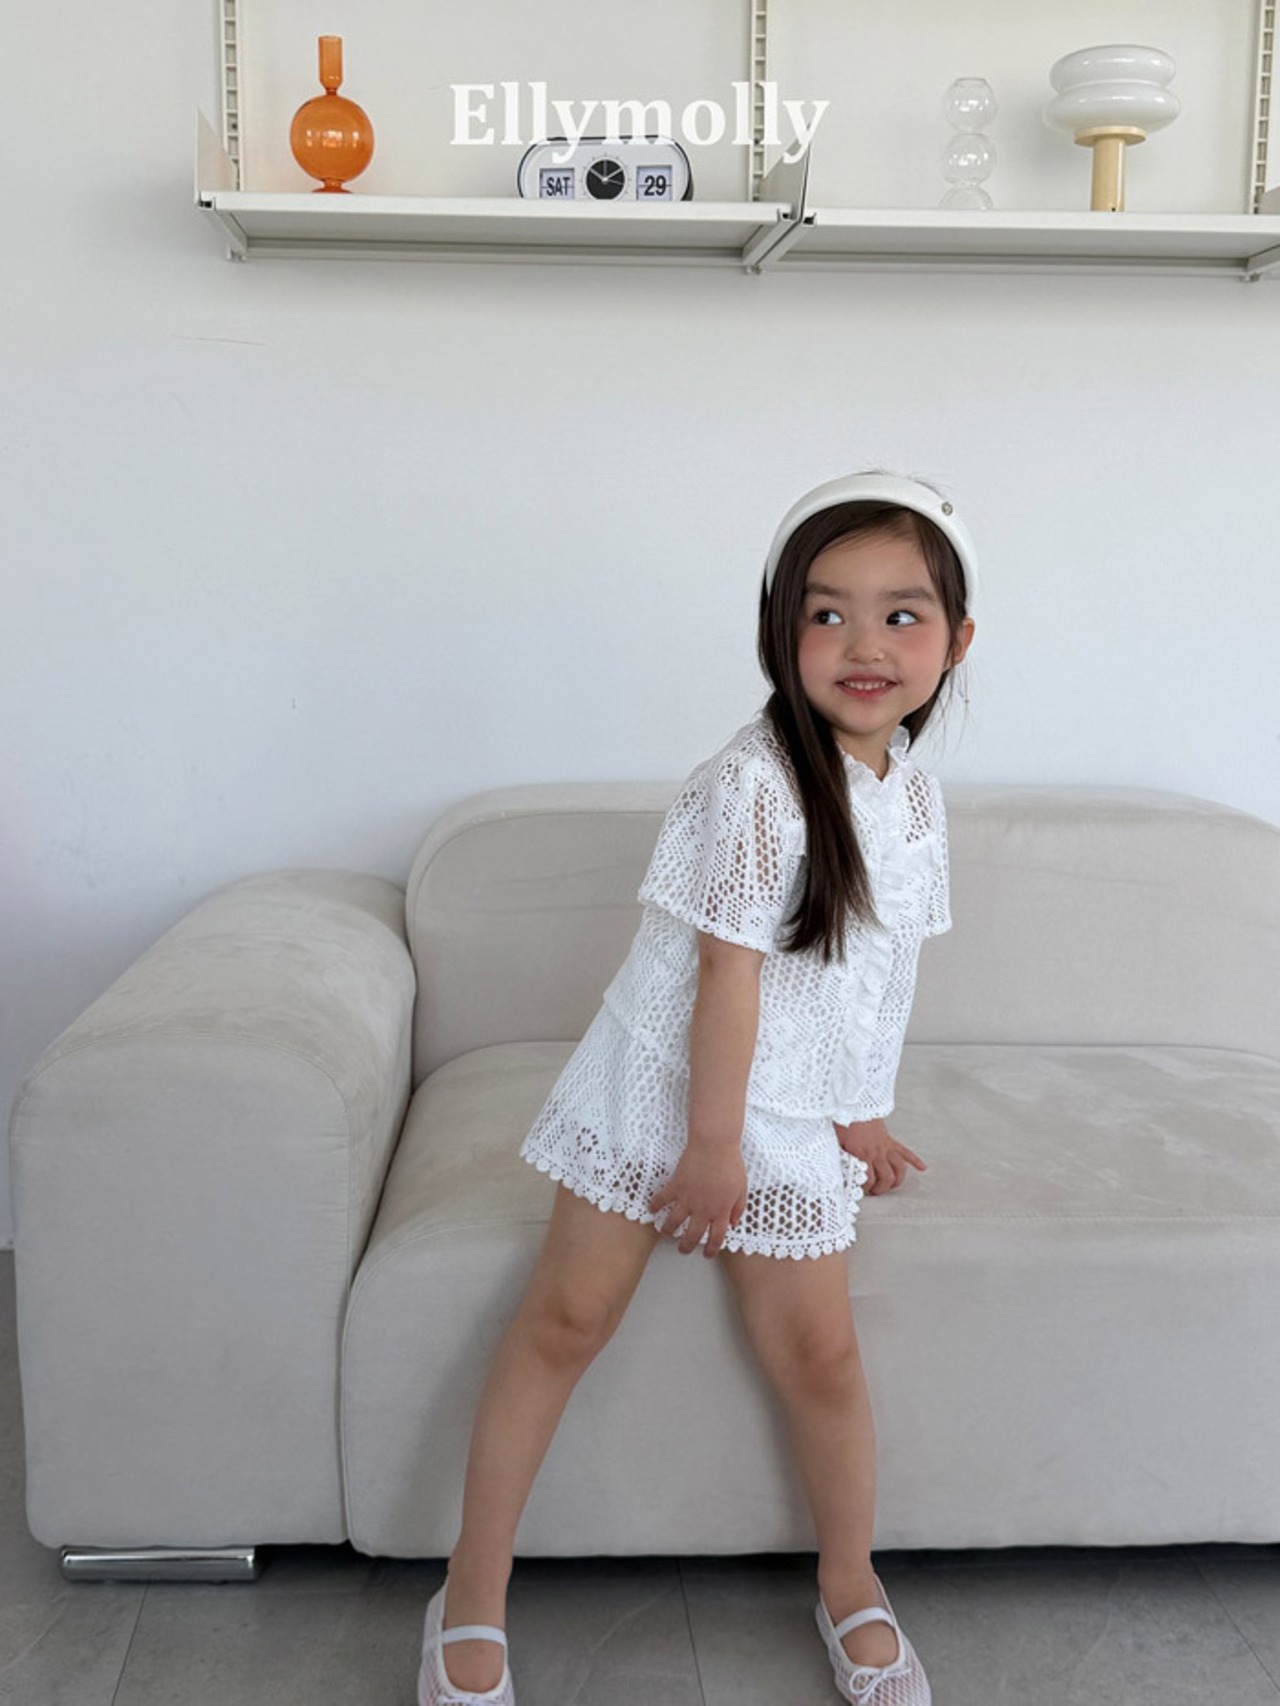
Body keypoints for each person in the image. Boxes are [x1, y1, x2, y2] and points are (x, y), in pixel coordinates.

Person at [417, 469, 977, 1706]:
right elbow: (727, 975)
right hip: (668, 1083)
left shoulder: (914, 799)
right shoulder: (751, 783)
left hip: (787, 1104)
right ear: (779, 633)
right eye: (825, 613)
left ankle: (849, 1578)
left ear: (955, 640)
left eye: (900, 614)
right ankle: (469, 1587)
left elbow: (876, 975)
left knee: (821, 1351)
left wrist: (856, 1109)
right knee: (566, 1317)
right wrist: (709, 1145)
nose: (864, 644)